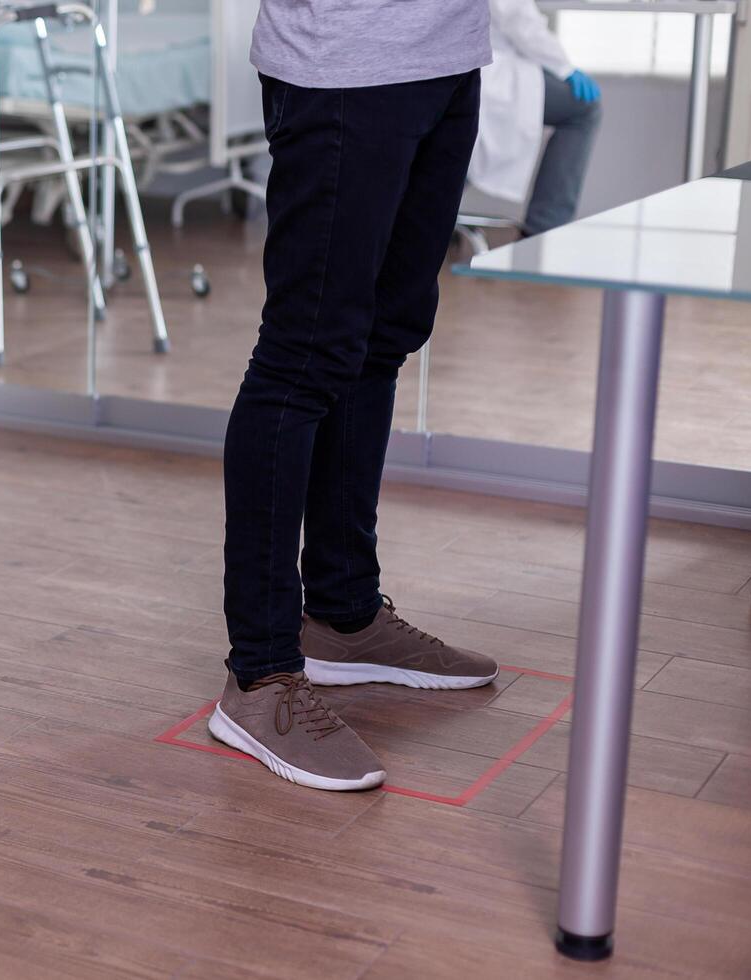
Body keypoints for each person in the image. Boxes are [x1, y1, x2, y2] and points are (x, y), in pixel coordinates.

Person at [210, 2, 502, 791]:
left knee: (381, 337)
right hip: (344, 63)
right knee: (305, 355)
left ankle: (343, 616)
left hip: (446, 54)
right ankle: (261, 675)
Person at [470, 0, 604, 235]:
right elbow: (518, 19)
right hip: (482, 71)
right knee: (585, 110)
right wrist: (564, 67)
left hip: (433, 69)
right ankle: (543, 232)